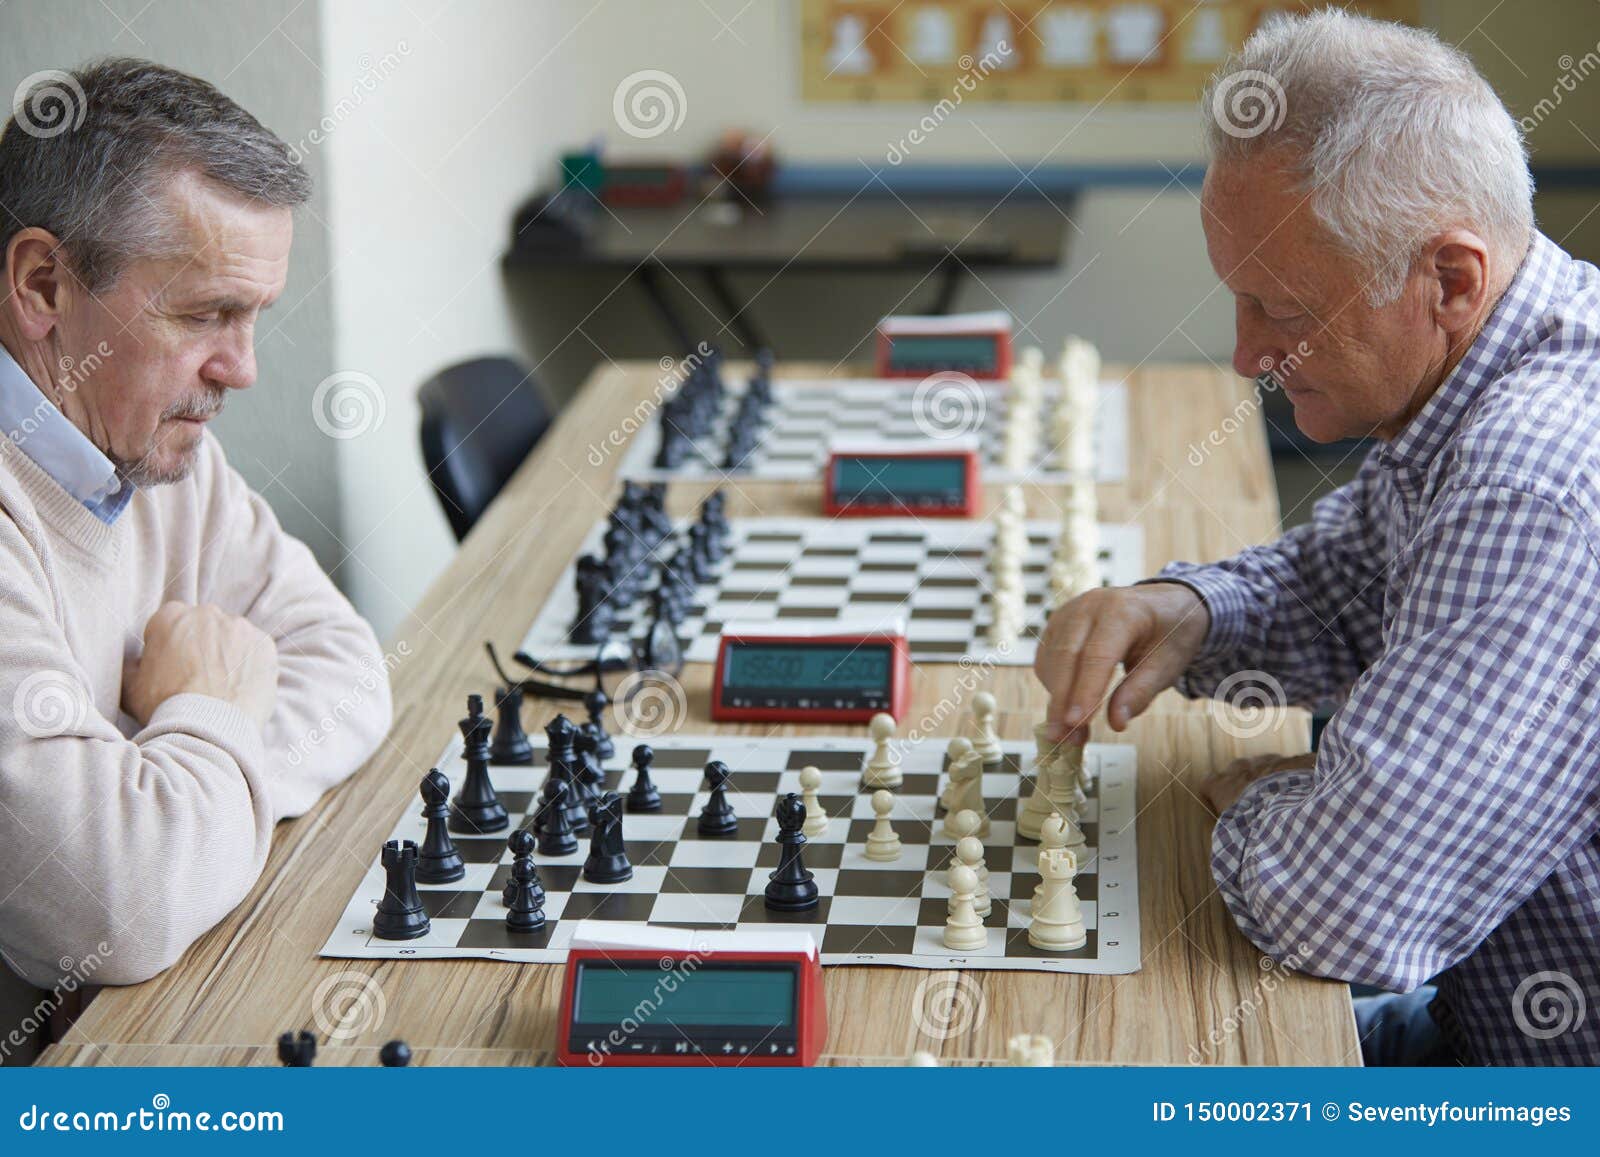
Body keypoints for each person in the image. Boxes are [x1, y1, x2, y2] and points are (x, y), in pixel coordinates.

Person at [1035, 11, 1599, 1065]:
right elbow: (1355, 577)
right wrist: (1192, 610)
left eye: (1281, 308)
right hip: (1476, 1018)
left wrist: (1278, 794)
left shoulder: (1534, 476)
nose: (1247, 354)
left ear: (1450, 278)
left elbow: (1350, 908)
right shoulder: (1489, 367)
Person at [0, 58, 392, 1036]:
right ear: (44, 284)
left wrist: (169, 780)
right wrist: (210, 705)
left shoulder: (156, 449)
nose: (244, 367)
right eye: (204, 312)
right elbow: (120, 907)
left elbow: (351, 672)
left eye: (253, 314)